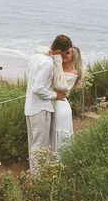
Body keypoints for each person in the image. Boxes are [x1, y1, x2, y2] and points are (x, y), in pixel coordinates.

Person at [25, 34, 72, 172]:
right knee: (40, 146)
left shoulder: (36, 57)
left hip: (30, 107)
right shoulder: (48, 63)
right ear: (60, 51)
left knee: (33, 144)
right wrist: (55, 95)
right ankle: (37, 179)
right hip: (41, 108)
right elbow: (38, 88)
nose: (65, 57)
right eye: (65, 53)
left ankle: (34, 176)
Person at [51, 45, 82, 156]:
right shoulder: (55, 65)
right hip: (52, 102)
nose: (64, 54)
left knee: (60, 134)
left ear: (73, 57)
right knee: (50, 133)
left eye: (68, 53)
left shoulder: (73, 73)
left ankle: (60, 164)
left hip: (61, 107)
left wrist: (57, 61)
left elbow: (58, 85)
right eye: (63, 51)